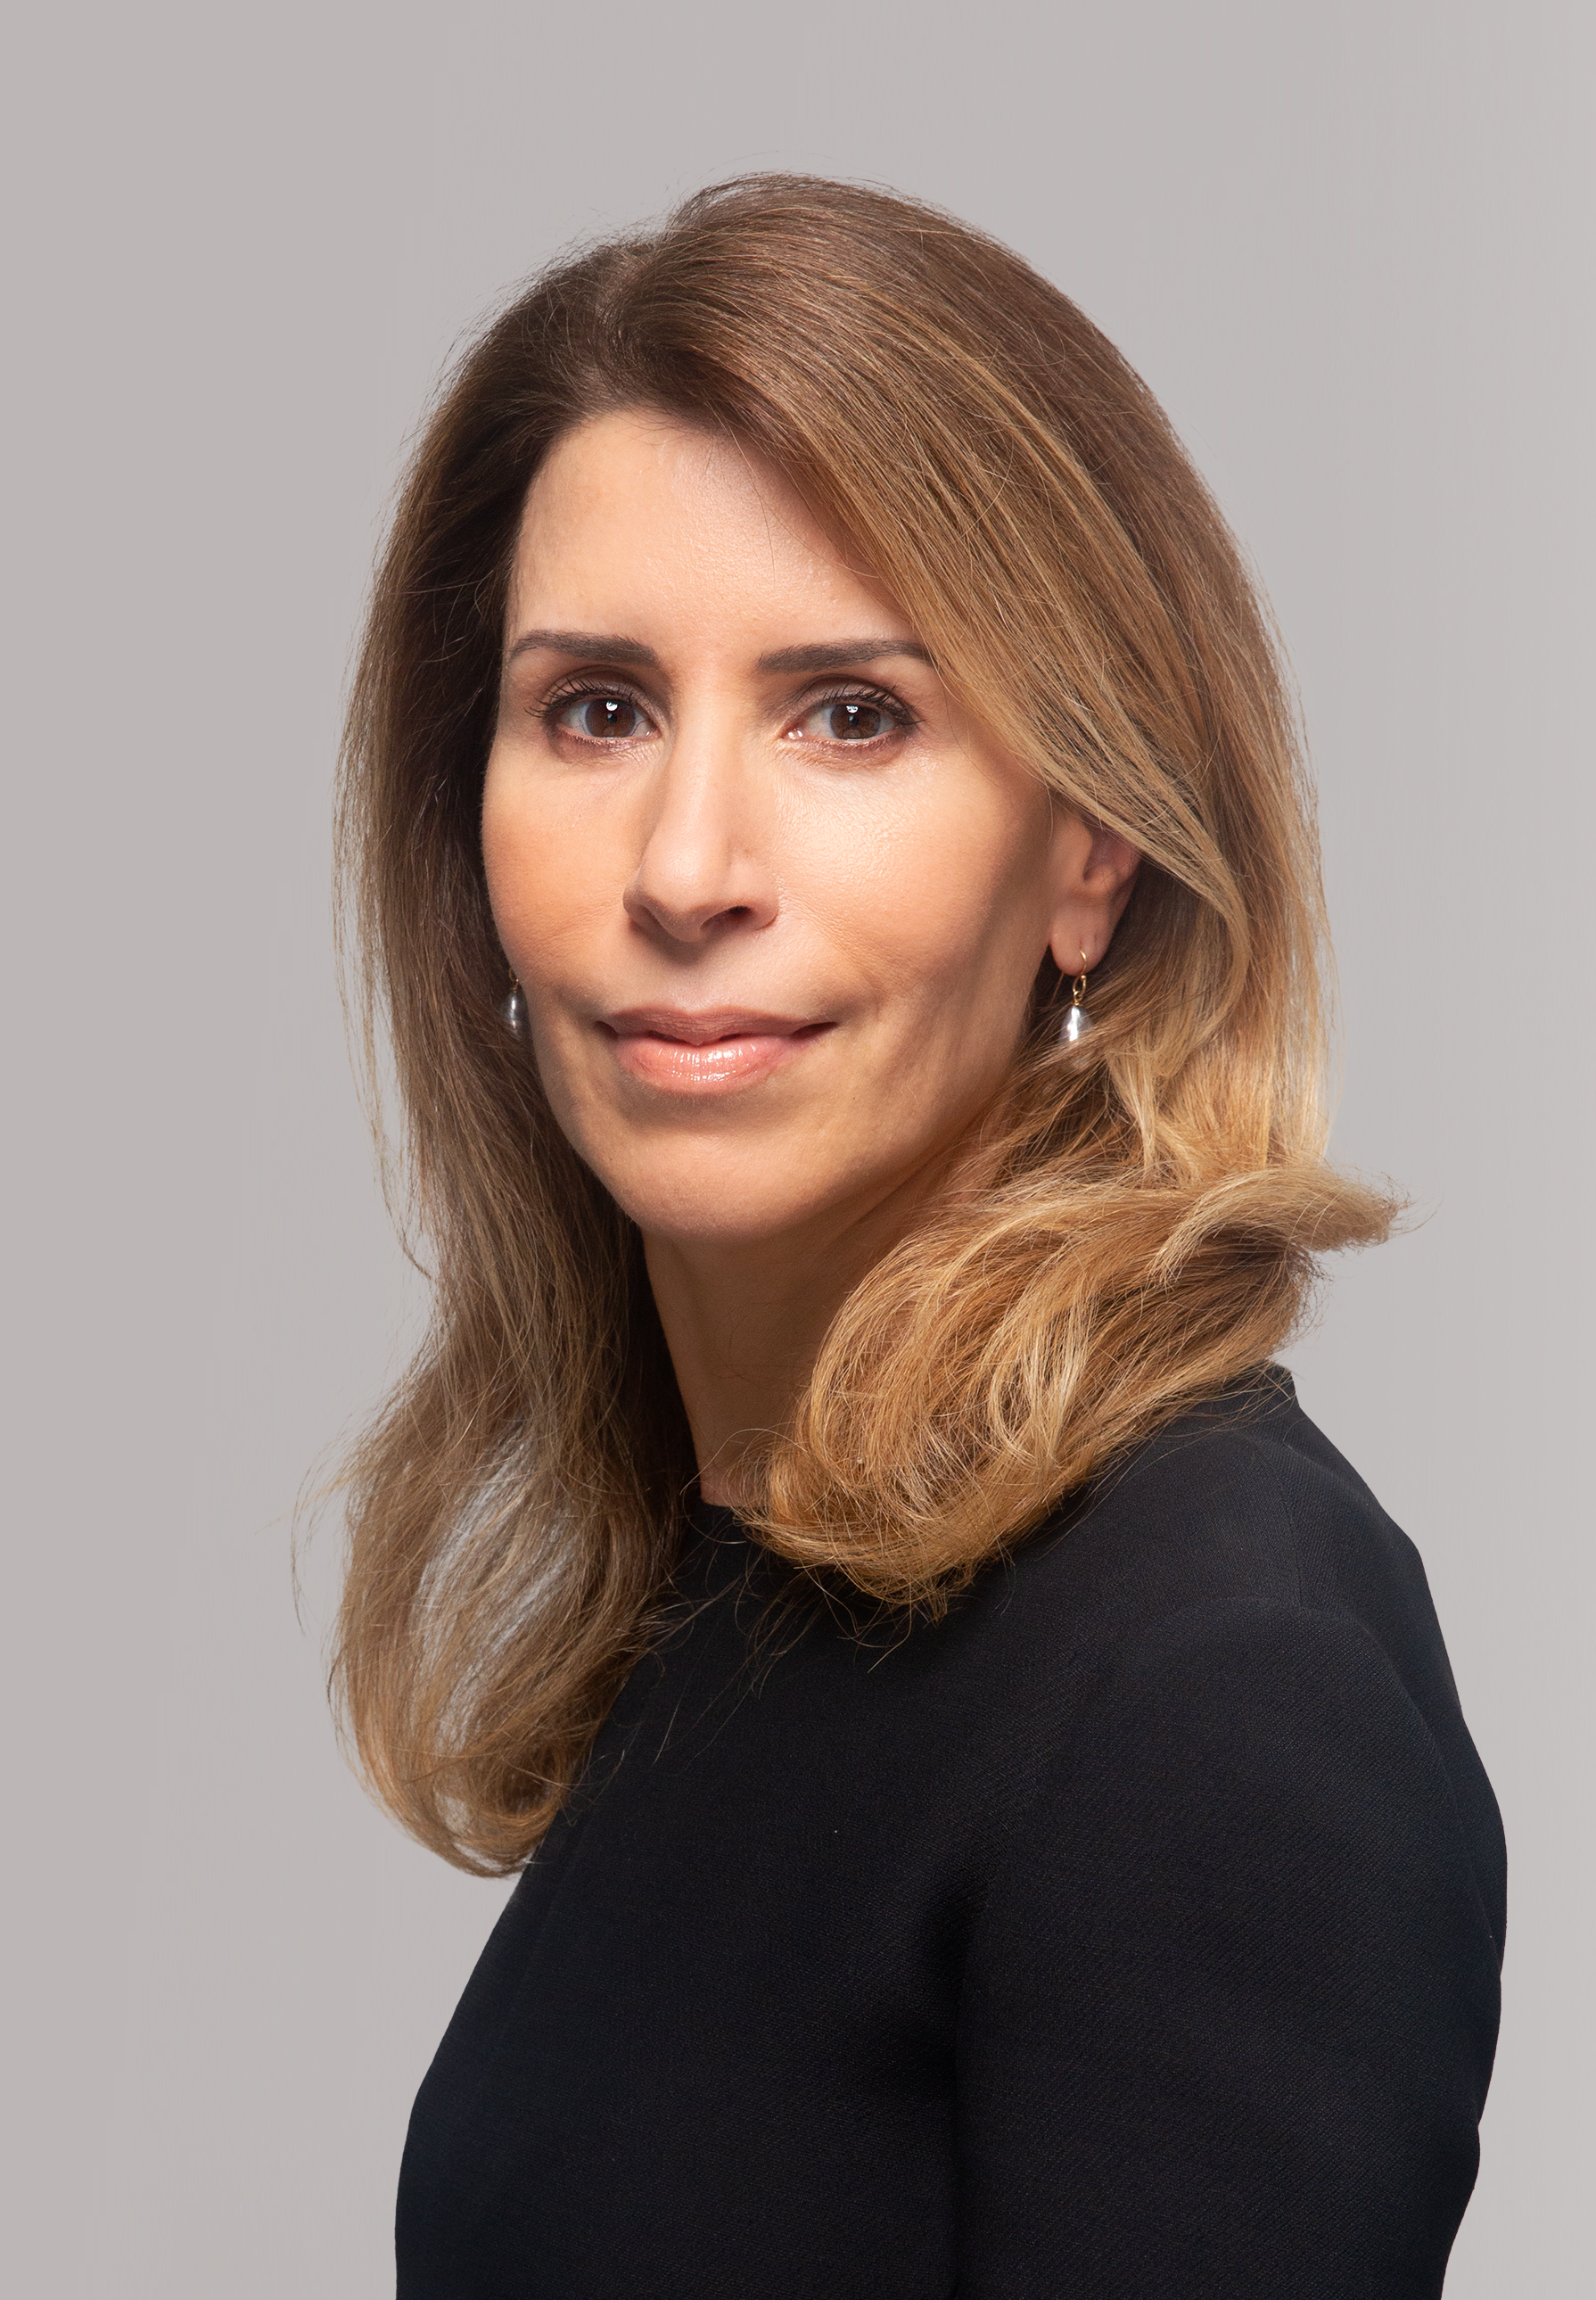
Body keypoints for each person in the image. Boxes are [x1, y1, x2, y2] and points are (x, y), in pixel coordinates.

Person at [330, 176, 1503, 2296]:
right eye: (595, 708)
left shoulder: (1213, 1670)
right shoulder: (752, 1563)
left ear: (1090, 847)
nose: (686, 864)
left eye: (850, 713)